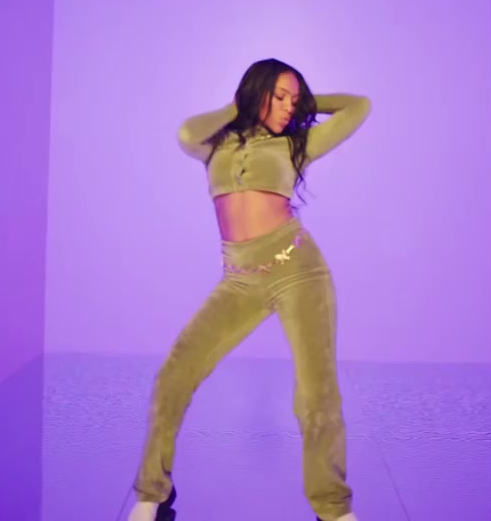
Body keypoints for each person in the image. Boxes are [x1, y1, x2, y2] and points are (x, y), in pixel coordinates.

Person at [127, 58, 371, 521]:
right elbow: (185, 133)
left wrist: (309, 103)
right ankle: (152, 493)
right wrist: (238, 106)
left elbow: (359, 106)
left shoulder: (296, 144)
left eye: (294, 100)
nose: (288, 107)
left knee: (316, 396)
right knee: (174, 375)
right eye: (279, 96)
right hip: (239, 280)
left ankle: (334, 507)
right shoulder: (214, 143)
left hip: (299, 270)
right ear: (255, 93)